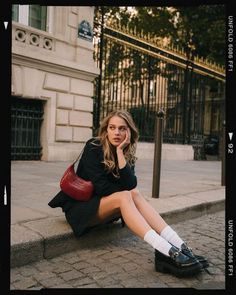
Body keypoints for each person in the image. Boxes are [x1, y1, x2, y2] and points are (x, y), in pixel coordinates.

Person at [48, 110, 208, 277]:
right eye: (112, 127)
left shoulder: (125, 150)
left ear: (128, 131)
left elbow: (131, 185)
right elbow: (103, 188)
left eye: (122, 128)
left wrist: (119, 153)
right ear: (106, 130)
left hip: (106, 206)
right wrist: (125, 192)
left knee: (134, 193)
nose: (117, 132)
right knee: (127, 195)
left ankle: (180, 245)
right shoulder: (93, 147)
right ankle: (166, 250)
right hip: (81, 209)